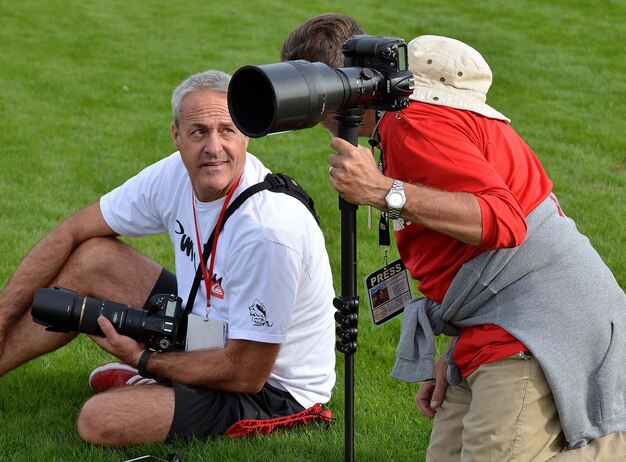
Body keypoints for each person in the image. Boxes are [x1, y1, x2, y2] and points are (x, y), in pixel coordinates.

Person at [281, 14, 626, 461]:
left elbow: (504, 221)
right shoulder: (404, 113)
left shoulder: (413, 122)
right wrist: (458, 344)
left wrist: (384, 191)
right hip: (493, 313)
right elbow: (464, 249)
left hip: (535, 320)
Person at [0, 70, 336, 446]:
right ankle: (164, 381)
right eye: (198, 132)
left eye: (226, 130)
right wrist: (0, 321)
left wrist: (142, 359)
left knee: (100, 420)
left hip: (271, 388)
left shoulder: (268, 230)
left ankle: (155, 380)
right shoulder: (175, 174)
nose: (213, 147)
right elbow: (74, 230)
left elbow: (245, 373)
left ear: (246, 133)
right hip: (209, 332)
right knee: (92, 257)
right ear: (176, 136)